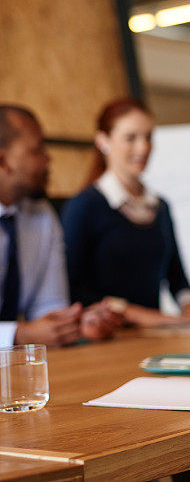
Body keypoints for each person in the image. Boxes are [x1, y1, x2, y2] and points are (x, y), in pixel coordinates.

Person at [61, 98, 190, 326]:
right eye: (131, 138)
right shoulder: (85, 205)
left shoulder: (160, 206)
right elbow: (73, 287)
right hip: (108, 338)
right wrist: (137, 314)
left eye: (148, 137)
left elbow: (177, 275)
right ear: (103, 141)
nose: (143, 148)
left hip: (154, 334)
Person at [0, 105, 122, 347]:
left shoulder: (42, 216)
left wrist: (74, 323)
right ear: (3, 161)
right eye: (37, 150)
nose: (48, 159)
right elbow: (26, 332)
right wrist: (18, 335)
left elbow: (48, 306)